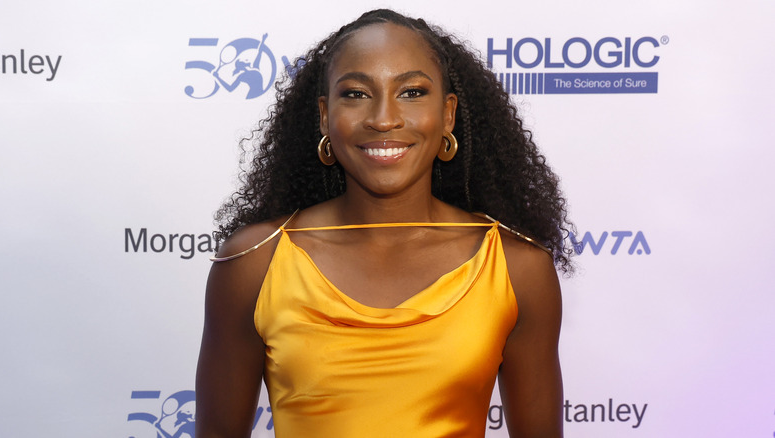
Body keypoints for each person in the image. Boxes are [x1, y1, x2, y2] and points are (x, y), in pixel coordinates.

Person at [196, 8, 572, 438]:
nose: (383, 118)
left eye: (411, 92)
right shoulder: (254, 262)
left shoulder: (516, 267)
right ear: (324, 116)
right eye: (356, 94)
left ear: (448, 115)